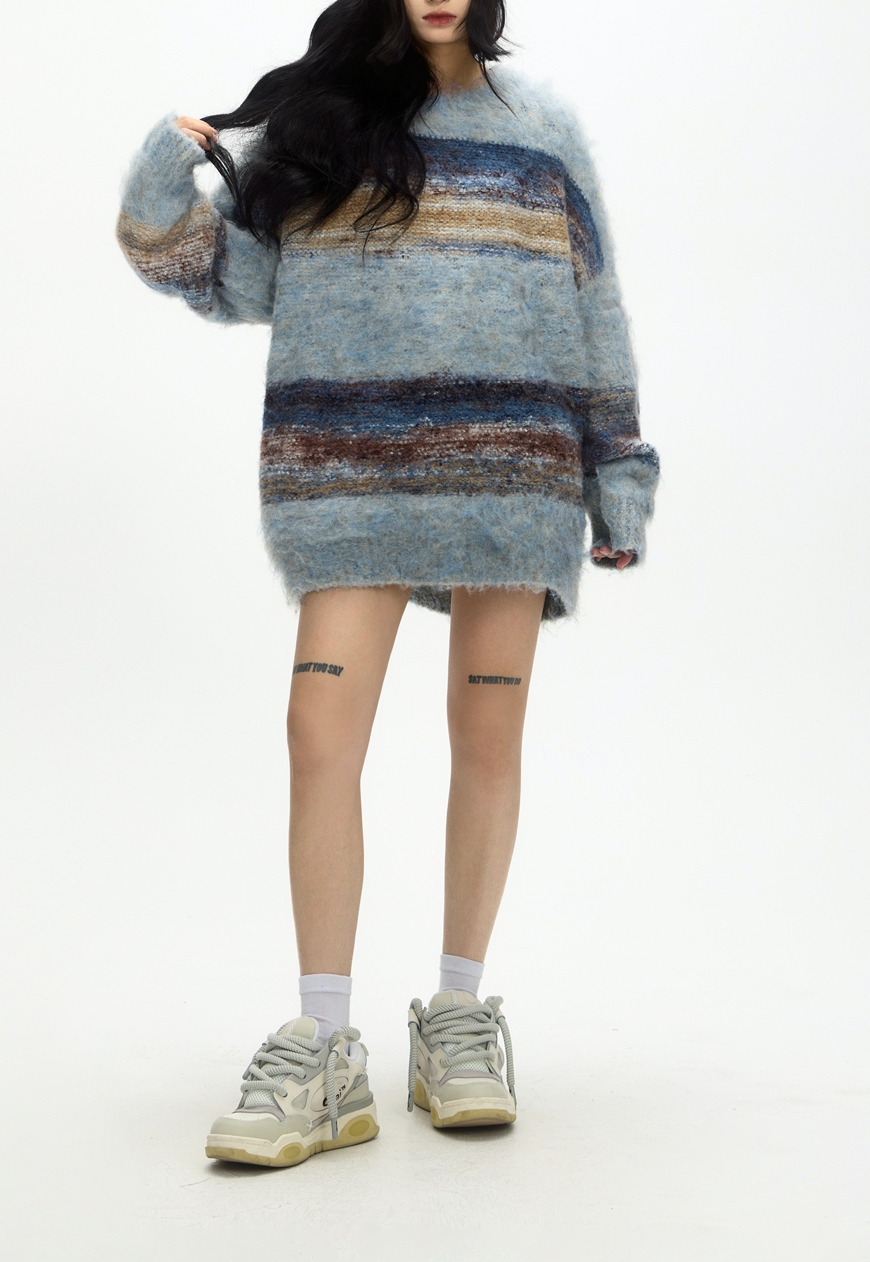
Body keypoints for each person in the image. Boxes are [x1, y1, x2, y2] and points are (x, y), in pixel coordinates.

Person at [116, 0, 659, 1166]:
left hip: (510, 470)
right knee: (318, 729)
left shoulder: (540, 129)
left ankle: (458, 1015)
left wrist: (618, 470)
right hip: (348, 471)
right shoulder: (321, 127)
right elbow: (223, 280)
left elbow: (593, 305)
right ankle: (324, 1045)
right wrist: (167, 172)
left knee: (487, 734)